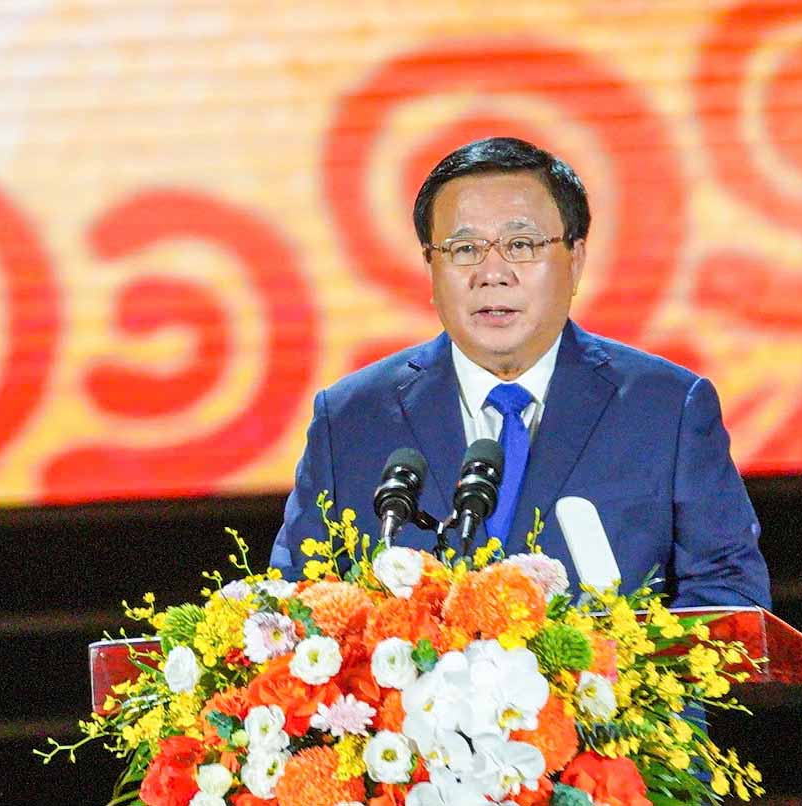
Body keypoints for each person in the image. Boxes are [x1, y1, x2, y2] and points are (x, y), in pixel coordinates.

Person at [271, 137, 770, 609]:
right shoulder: (351, 419)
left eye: (522, 244)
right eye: (464, 250)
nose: (493, 273)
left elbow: (728, 592)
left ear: (575, 260)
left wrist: (625, 664)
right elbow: (297, 601)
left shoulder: (666, 408)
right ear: (430, 267)